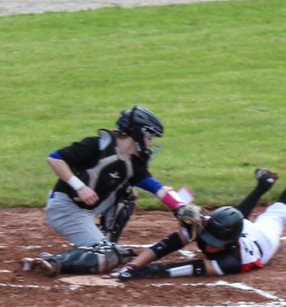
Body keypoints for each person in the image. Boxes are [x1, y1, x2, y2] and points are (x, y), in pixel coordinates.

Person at [113, 147, 286, 281]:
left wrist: (143, 274)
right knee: (232, 216)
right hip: (234, 229)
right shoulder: (203, 226)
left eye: (217, 243)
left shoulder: (231, 261)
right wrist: (133, 266)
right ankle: (263, 185)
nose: (210, 246)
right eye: (211, 238)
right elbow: (164, 247)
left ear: (230, 243)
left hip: (262, 240)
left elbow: (182, 268)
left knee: (276, 215)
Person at [20, 106, 190, 275]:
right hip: (66, 209)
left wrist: (181, 206)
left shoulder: (134, 162)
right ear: (137, 133)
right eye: (149, 137)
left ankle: (104, 244)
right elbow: (54, 159)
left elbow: (157, 188)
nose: (151, 143)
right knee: (105, 256)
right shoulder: (97, 145)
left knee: (128, 194)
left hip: (90, 209)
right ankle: (52, 261)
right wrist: (80, 187)